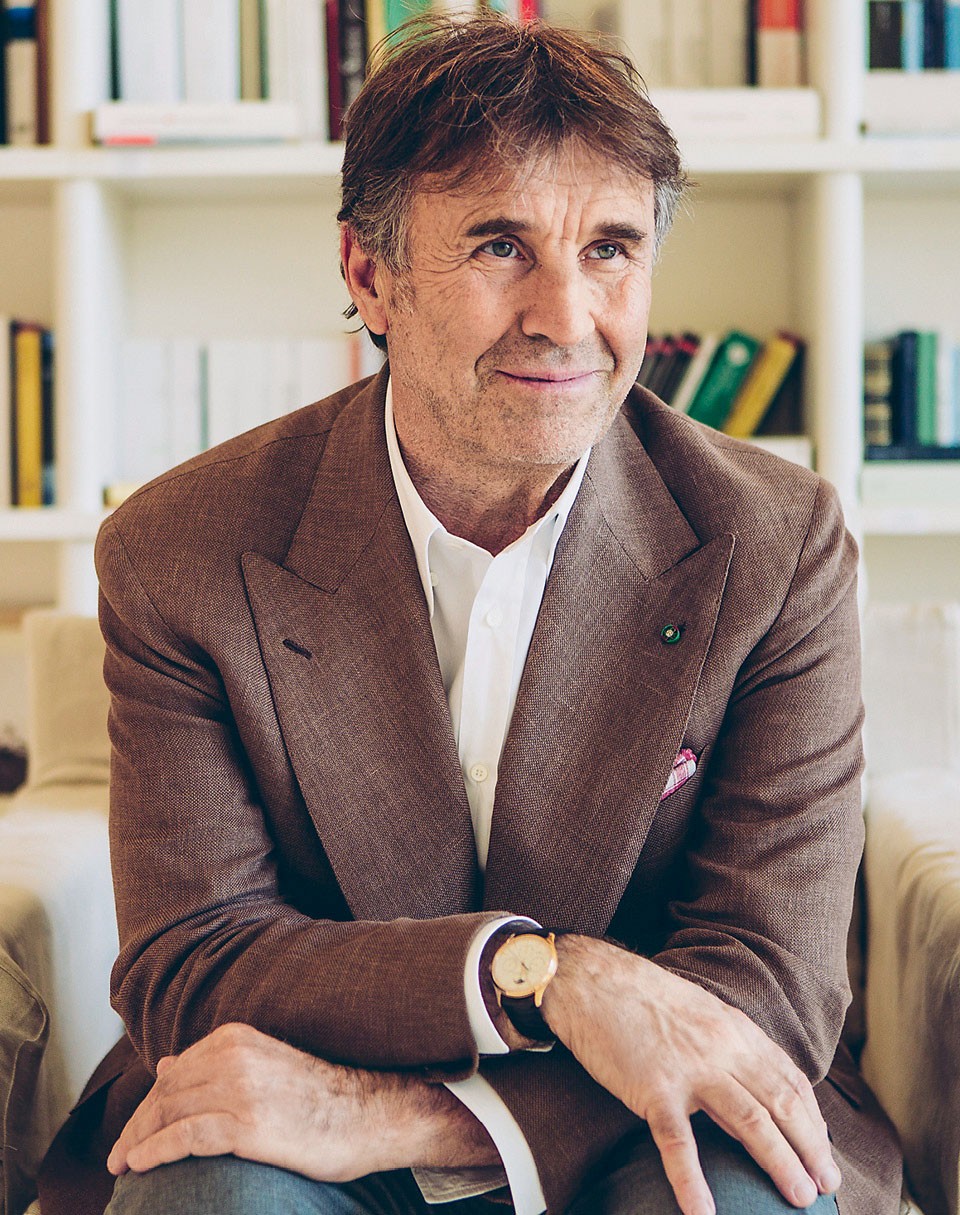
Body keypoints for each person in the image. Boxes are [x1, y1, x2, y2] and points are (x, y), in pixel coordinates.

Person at [39, 14, 902, 1215]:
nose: (567, 315)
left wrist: (410, 1120)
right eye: (501, 246)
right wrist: (536, 976)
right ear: (368, 275)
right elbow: (201, 961)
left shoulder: (776, 543)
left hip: (637, 1115)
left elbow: (769, 982)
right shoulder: (180, 550)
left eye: (610, 249)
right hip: (286, 1105)